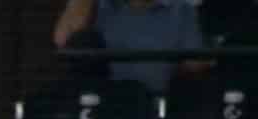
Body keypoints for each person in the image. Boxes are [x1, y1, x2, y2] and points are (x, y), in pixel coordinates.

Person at [53, 0, 208, 93]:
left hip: (153, 110)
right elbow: (64, 41)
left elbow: (194, 66)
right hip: (100, 107)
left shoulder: (181, 9)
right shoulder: (97, 5)